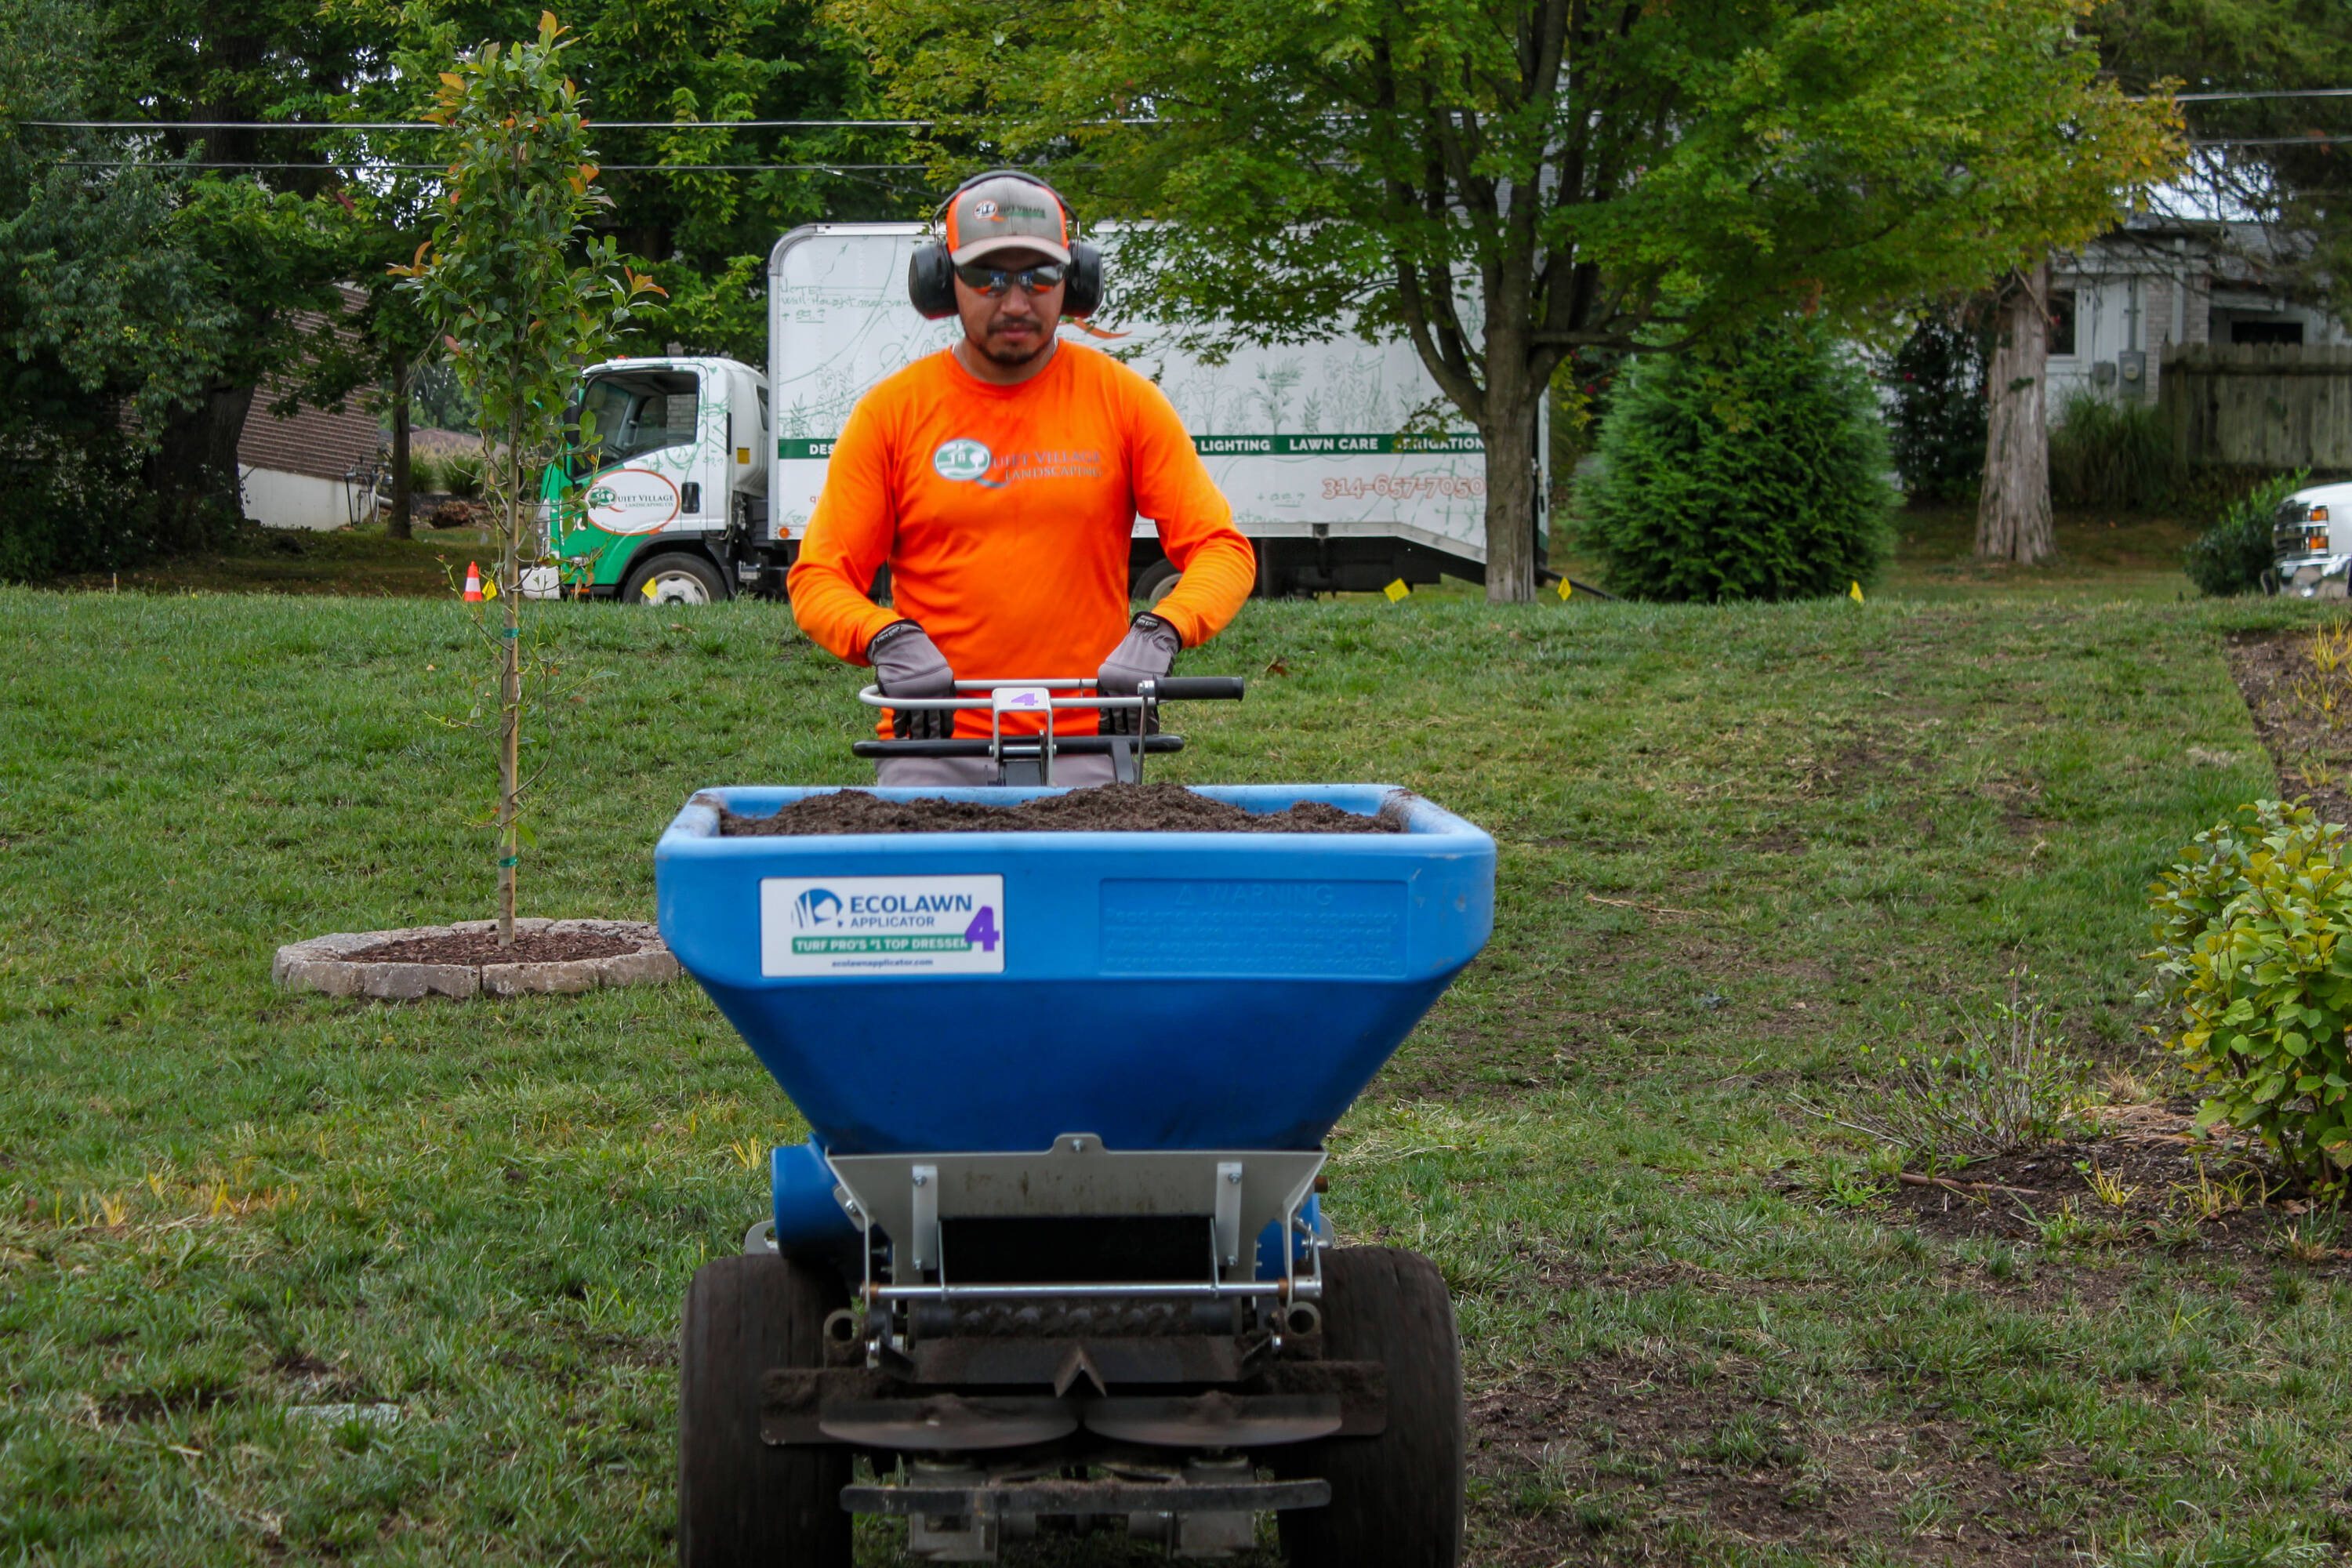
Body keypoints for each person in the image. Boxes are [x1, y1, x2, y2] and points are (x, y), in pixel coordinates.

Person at [785, 172, 1257, 786]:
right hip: (935, 747)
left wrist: (1161, 630)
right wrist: (886, 635)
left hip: (1089, 745)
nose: (1015, 302)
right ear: (942, 281)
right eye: (988, 277)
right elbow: (819, 577)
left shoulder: (1125, 402)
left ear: (1076, 281)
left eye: (1040, 277)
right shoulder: (892, 414)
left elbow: (1222, 550)